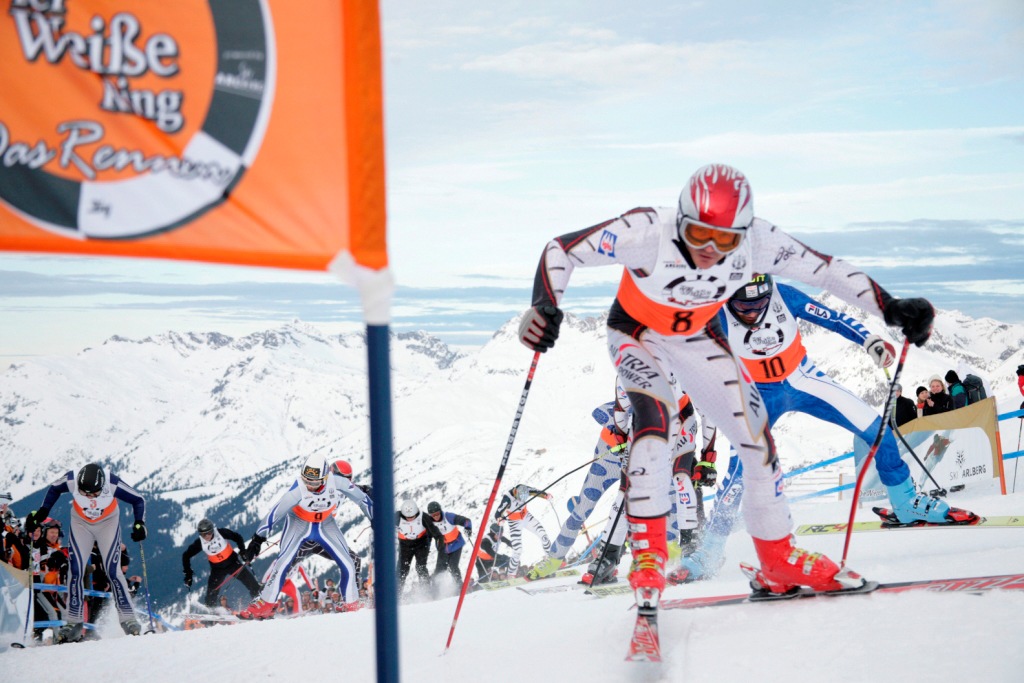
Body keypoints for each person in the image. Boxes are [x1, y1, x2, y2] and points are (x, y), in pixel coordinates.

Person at [519, 163, 938, 610]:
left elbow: (825, 271)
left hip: (695, 336)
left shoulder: (759, 241)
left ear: (744, 232)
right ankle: (648, 558)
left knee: (756, 439)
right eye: (699, 236)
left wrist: (890, 308)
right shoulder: (645, 230)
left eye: (725, 240)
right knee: (655, 418)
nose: (710, 250)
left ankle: (778, 558)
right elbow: (560, 250)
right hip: (637, 334)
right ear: (679, 222)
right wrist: (544, 306)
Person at [672, 275, 975, 583]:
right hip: (755, 394)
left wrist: (870, 342)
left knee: (876, 429)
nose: (751, 315)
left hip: (803, 379)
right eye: (743, 309)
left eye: (758, 306)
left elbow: (833, 318)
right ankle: (708, 553)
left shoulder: (783, 296)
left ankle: (905, 502)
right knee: (739, 474)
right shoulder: (715, 313)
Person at [238, 454, 372, 619]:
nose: (309, 485)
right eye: (306, 480)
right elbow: (275, 514)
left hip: (325, 524)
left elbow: (362, 499)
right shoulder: (298, 489)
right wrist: (257, 540)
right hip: (299, 524)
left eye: (314, 482)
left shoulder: (338, 483)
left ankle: (351, 603)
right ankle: (264, 605)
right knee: (282, 564)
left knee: (349, 564)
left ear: (325, 478)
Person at [26, 462, 146, 642]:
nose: (90, 496)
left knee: (113, 570)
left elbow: (138, 499)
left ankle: (128, 619)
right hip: (81, 524)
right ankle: (73, 621)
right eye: (85, 493)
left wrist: (140, 524)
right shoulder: (72, 480)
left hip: (107, 524)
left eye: (95, 493)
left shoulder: (112, 483)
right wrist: (44, 511)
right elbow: (54, 490)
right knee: (75, 569)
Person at [182, 518, 261, 609]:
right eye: (203, 534)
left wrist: (243, 551)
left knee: (251, 582)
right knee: (211, 593)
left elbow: (237, 537)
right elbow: (186, 555)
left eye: (209, 532)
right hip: (217, 570)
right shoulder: (200, 542)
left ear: (212, 530)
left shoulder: (220, 533)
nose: (207, 536)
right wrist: (188, 573)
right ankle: (212, 612)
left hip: (233, 563)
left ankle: (259, 602)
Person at [494, 484, 553, 578]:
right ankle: (511, 575)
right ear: (515, 493)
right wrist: (499, 519)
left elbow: (536, 491)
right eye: (519, 499)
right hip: (514, 522)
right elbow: (498, 512)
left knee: (543, 535)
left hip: (526, 517)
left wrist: (546, 495)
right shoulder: (507, 498)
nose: (521, 501)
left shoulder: (525, 489)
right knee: (518, 549)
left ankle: (551, 561)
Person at [425, 501, 472, 587]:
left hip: (456, 544)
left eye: (437, 513)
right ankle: (431, 586)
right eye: (433, 515)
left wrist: (468, 528)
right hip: (442, 548)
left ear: (440, 511)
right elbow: (428, 537)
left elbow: (466, 521)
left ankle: (459, 586)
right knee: (440, 569)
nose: (436, 516)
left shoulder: (448, 517)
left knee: (453, 566)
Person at [395, 499, 439, 590]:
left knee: (421, 567)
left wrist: (439, 541)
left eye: (412, 516)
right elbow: (385, 523)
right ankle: (396, 593)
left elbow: (433, 529)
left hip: (421, 543)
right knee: (402, 570)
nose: (410, 518)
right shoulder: (397, 517)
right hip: (405, 545)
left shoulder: (423, 516)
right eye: (407, 517)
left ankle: (425, 590)